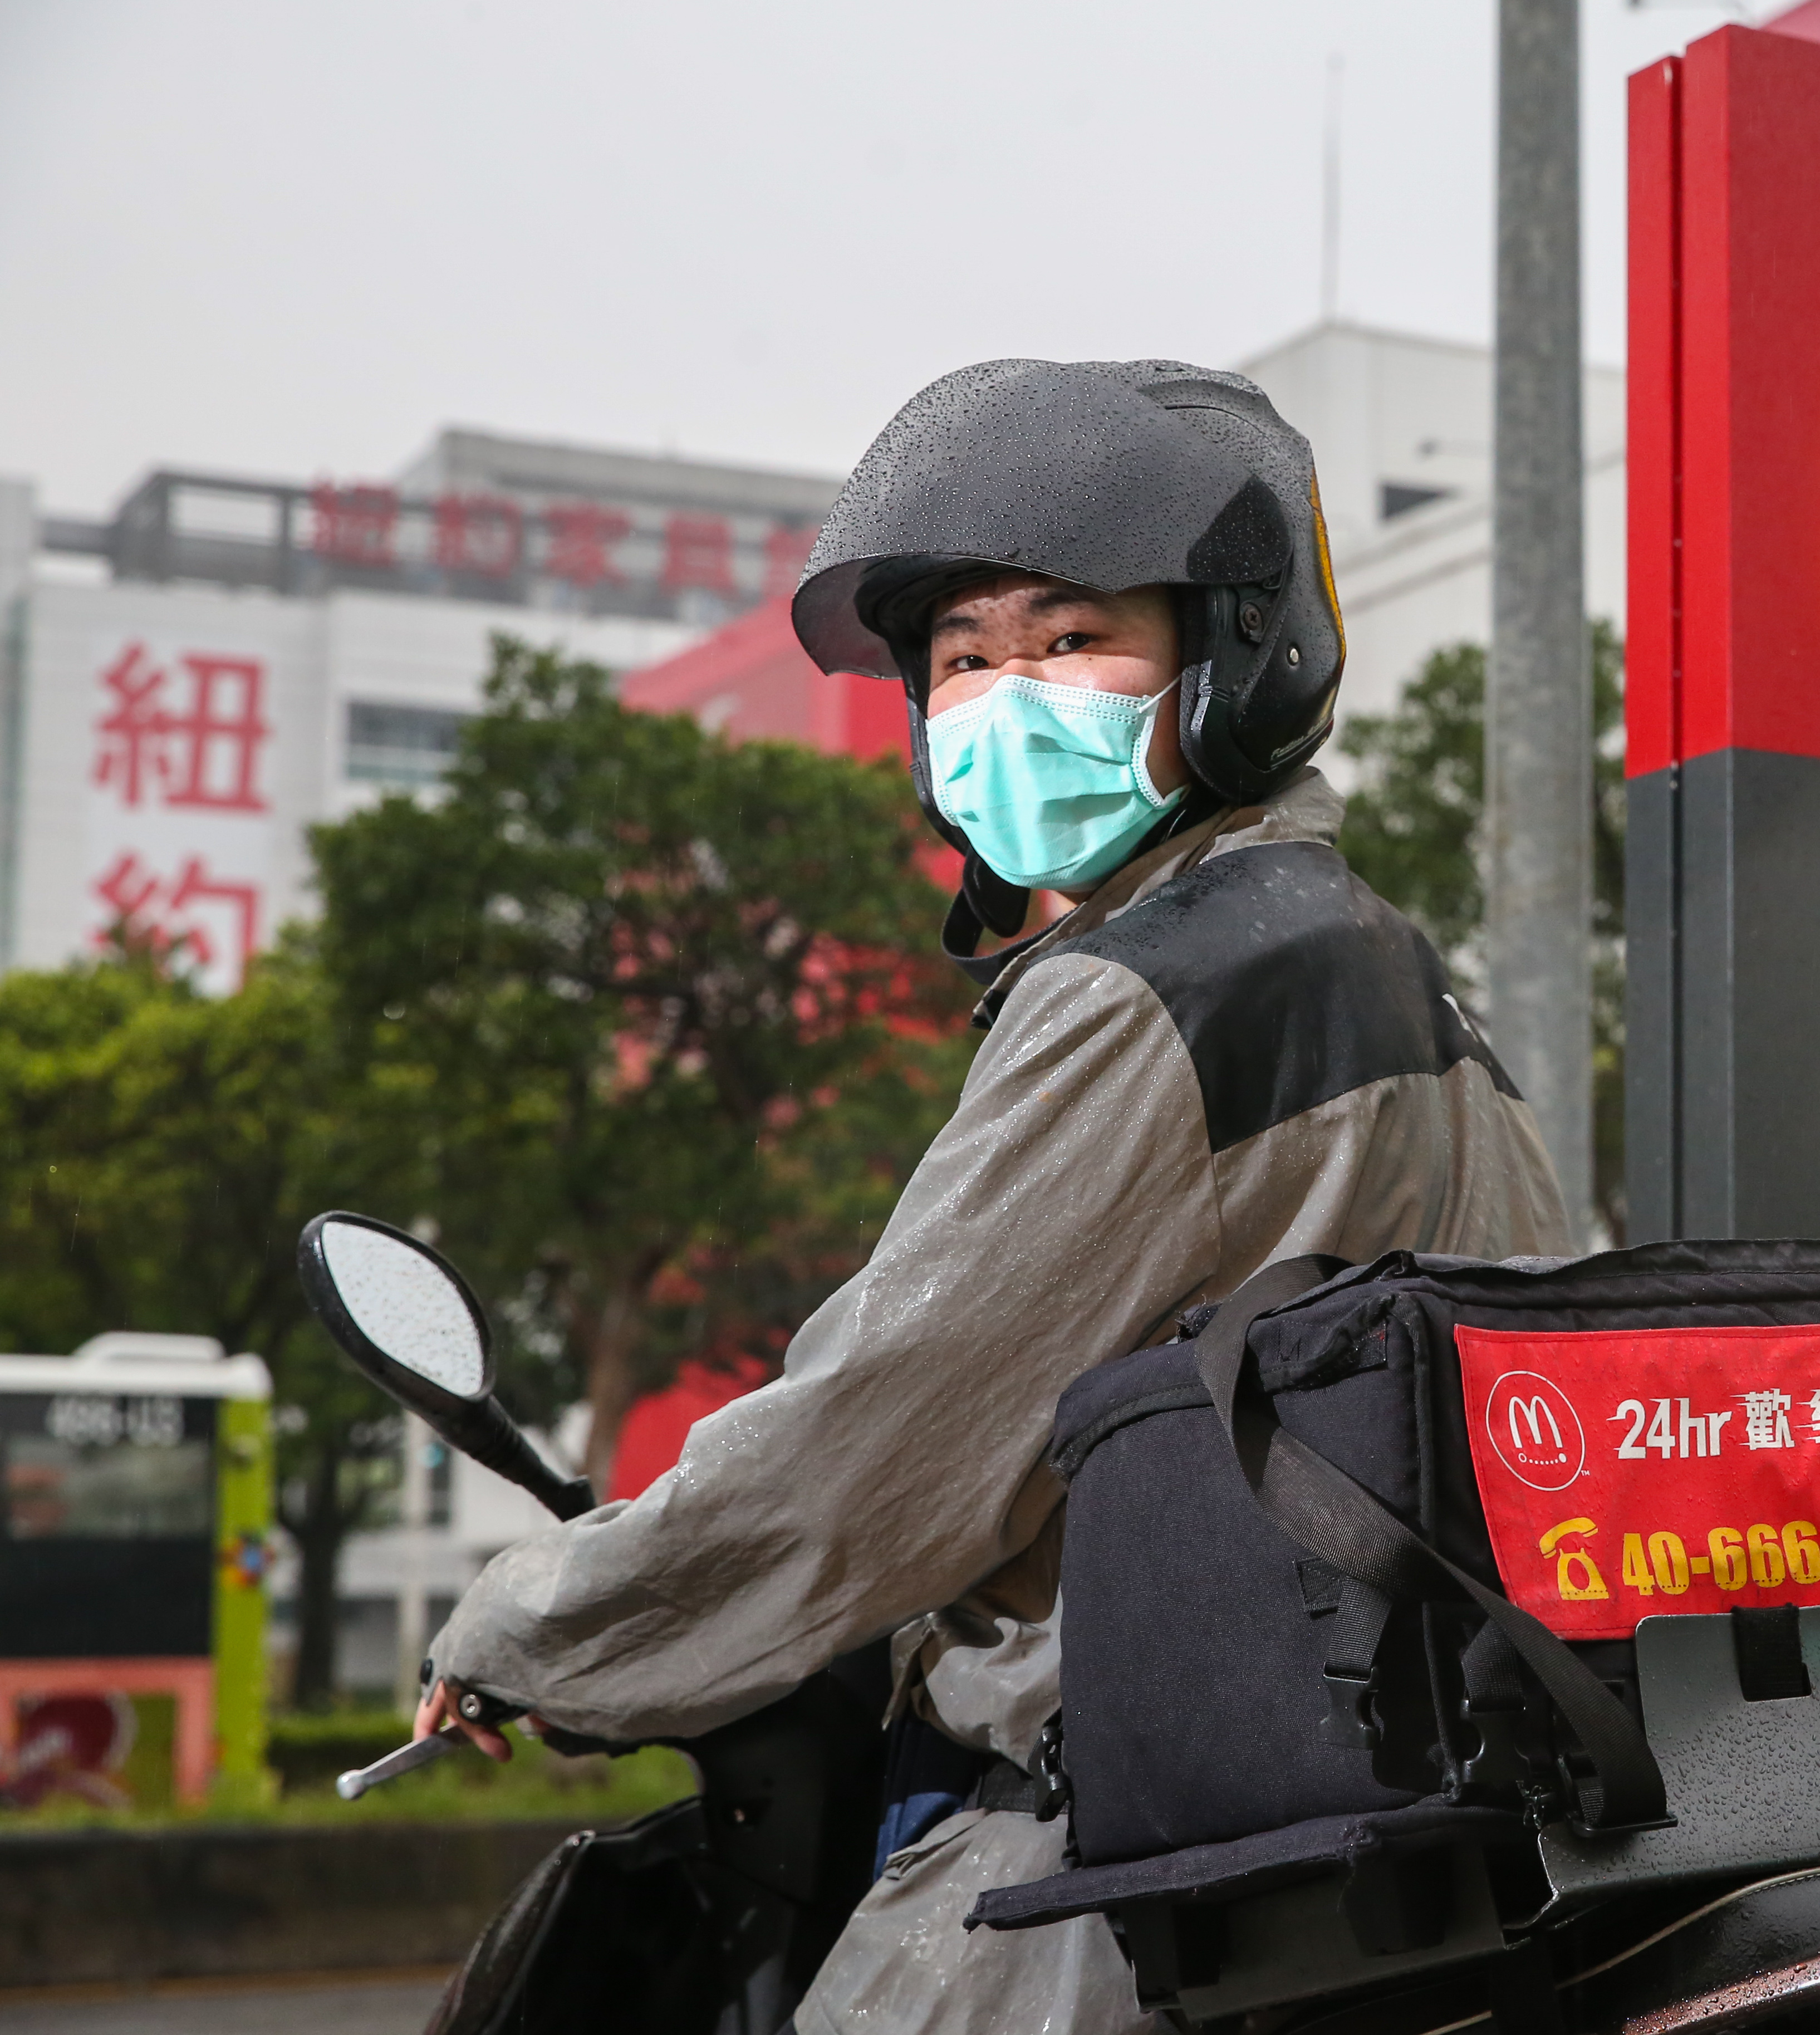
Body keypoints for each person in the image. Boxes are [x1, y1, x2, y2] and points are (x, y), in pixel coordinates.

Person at [410, 359, 1576, 2034]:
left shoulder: (1150, 990)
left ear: (1235, 654)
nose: (1008, 697)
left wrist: (541, 1624)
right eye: (963, 659)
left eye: (1071, 638)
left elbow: (883, 1434)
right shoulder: (1390, 970)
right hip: (1409, 1834)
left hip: (1109, 1865)